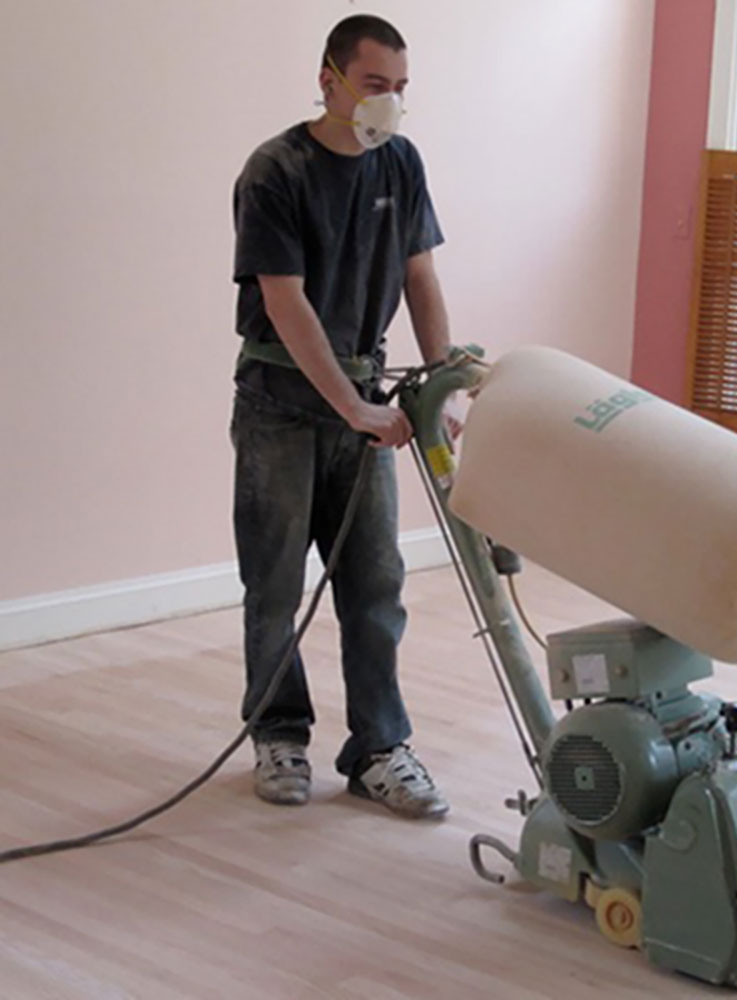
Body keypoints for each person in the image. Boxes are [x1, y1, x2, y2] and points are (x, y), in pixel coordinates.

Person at [229, 14, 451, 818]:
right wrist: (352, 406)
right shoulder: (276, 172)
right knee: (276, 582)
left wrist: (439, 384)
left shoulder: (402, 163)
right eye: (372, 85)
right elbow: (286, 307)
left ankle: (379, 748)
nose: (387, 103)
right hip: (279, 408)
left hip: (363, 403)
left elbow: (419, 278)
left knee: (375, 582)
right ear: (328, 79)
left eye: (398, 89)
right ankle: (279, 734)